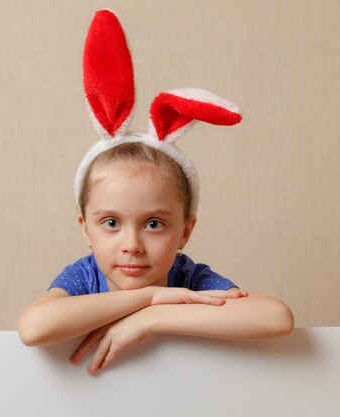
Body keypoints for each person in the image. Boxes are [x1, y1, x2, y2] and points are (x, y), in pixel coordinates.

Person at [18, 10, 294, 376]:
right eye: (111, 222)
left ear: (185, 230)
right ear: (85, 228)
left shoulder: (189, 279)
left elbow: (275, 317)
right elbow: (34, 328)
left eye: (153, 223)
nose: (132, 244)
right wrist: (148, 296)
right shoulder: (84, 278)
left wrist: (152, 318)